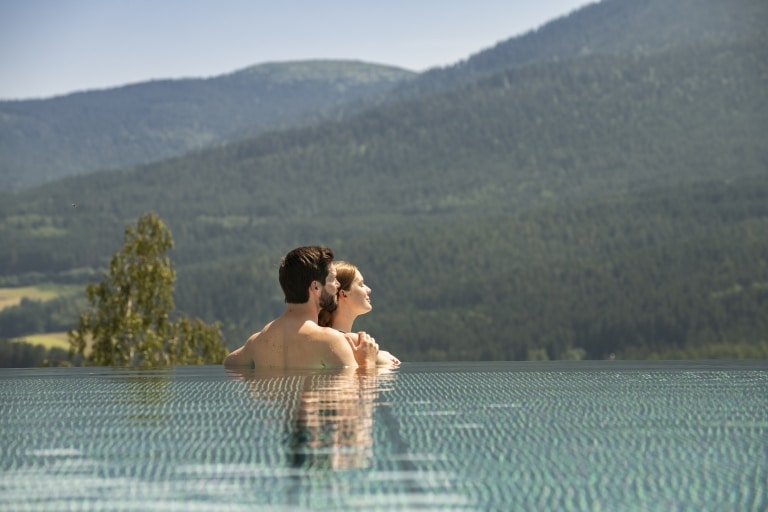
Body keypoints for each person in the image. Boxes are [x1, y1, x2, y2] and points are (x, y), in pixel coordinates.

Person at [224, 246, 379, 369]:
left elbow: (229, 362)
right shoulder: (329, 341)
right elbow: (349, 401)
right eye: (332, 278)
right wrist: (367, 363)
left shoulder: (257, 341)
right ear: (316, 287)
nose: (337, 285)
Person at [319, 261, 400, 367]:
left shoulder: (323, 338)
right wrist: (375, 357)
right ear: (343, 294)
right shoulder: (355, 341)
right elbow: (394, 371)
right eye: (361, 285)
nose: (369, 290)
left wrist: (380, 354)